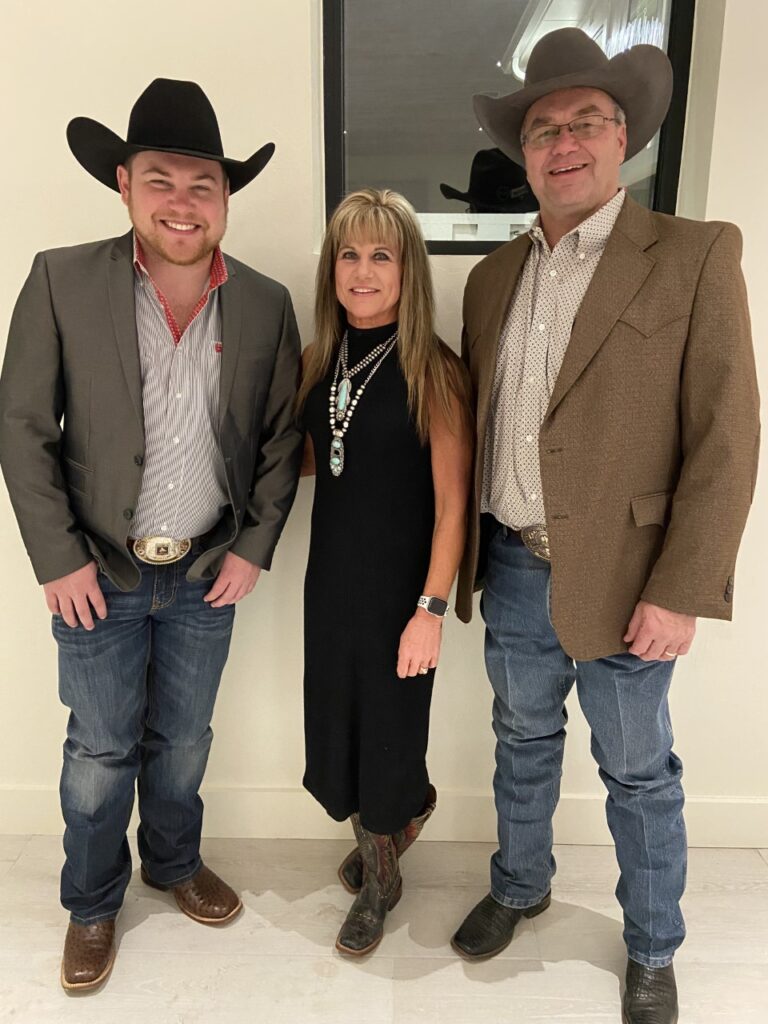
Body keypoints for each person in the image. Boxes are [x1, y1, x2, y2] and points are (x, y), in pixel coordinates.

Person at [449, 28, 760, 1024]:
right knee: (521, 737)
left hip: (632, 577)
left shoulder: (697, 254)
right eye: (544, 126)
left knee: (637, 770)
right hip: (511, 563)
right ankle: (520, 882)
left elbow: (728, 436)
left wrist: (682, 588)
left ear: (624, 136)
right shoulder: (492, 278)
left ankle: (654, 944)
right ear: (525, 152)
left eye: (586, 120)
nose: (564, 139)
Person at [0, 78, 303, 991]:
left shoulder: (265, 302)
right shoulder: (61, 278)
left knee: (183, 741)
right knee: (98, 753)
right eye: (161, 181)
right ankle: (93, 905)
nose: (183, 202)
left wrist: (253, 547)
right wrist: (56, 560)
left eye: (202, 184)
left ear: (224, 197)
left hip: (207, 571)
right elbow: (21, 426)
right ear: (125, 184)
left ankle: (171, 865)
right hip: (97, 572)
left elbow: (283, 438)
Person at [297, 188, 472, 955]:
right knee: (336, 733)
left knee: (389, 738)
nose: (362, 271)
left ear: (409, 271)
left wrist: (429, 610)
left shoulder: (433, 369)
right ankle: (392, 825)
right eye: (348, 253)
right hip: (331, 585)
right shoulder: (318, 359)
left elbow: (453, 507)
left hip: (402, 594)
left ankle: (381, 879)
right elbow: (312, 463)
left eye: (381, 255)